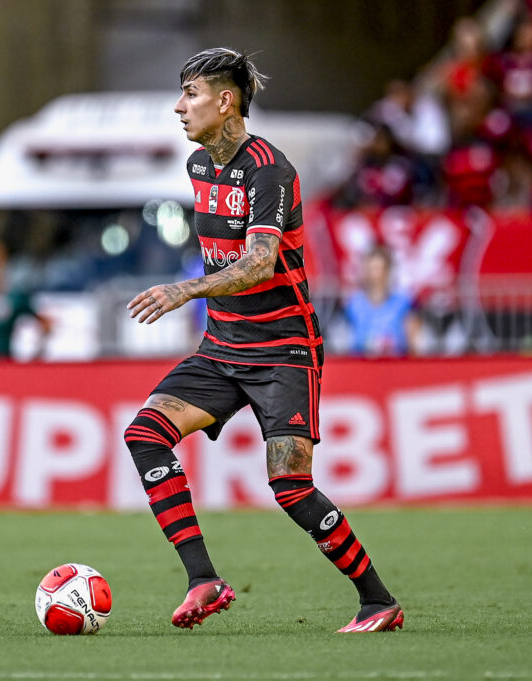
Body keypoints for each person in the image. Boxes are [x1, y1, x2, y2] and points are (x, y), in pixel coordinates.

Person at [124, 48, 403, 634]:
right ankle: (203, 579)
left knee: (290, 487)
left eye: (191, 95)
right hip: (223, 348)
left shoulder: (269, 170)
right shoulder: (200, 167)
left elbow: (258, 262)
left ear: (225, 102)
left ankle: (378, 601)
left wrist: (185, 290)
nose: (179, 107)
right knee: (145, 434)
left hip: (283, 350)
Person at [342, 246, 421, 356]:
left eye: (379, 268)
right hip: (360, 365)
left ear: (388, 271)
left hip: (396, 365)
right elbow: (343, 341)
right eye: (371, 269)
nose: (375, 275)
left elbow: (413, 343)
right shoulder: (353, 302)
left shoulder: (404, 302)